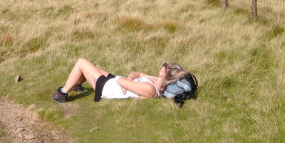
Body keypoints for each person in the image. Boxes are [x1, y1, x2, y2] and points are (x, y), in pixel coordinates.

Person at [52, 58, 187, 103]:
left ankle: (62, 94)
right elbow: (136, 73)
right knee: (93, 67)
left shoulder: (151, 89)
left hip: (108, 88)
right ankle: (76, 85)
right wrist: (130, 79)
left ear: (167, 76)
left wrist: (127, 82)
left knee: (81, 62)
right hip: (114, 81)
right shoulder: (155, 80)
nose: (163, 67)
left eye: (166, 68)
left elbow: (122, 83)